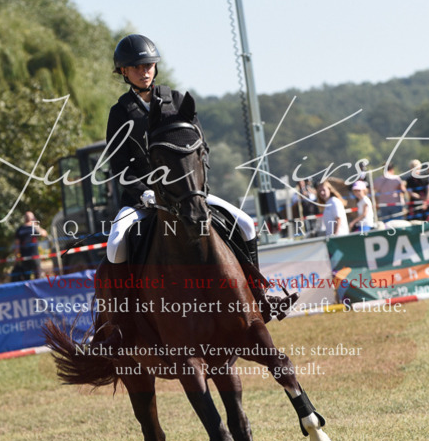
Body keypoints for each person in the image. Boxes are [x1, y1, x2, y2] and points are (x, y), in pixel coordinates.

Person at [105, 33, 295, 320]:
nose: (144, 72)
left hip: (186, 193)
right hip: (143, 198)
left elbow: (200, 149)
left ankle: (259, 296)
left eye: (149, 66)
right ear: (123, 71)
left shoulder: (178, 101)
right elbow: (118, 164)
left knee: (244, 223)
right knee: (116, 242)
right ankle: (121, 321)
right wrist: (143, 191)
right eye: (137, 68)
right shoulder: (119, 113)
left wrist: (196, 186)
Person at [14, 211, 47, 280]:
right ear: (32, 218)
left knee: (27, 277)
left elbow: (17, 245)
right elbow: (44, 234)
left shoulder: (20, 229)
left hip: (25, 257)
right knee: (37, 276)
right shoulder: (34, 227)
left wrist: (16, 258)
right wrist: (36, 225)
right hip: (33, 256)